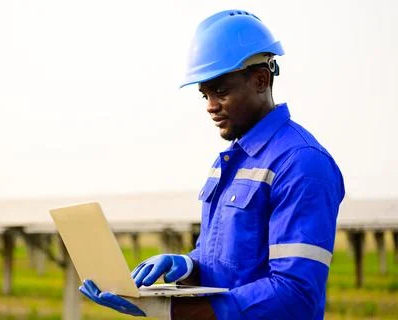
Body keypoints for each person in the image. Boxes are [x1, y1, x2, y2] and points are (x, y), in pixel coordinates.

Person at [79, 9, 345, 320]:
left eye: (220, 91)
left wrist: (170, 311)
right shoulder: (231, 161)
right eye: (204, 94)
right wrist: (187, 267)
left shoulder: (301, 163)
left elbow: (296, 294)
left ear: (261, 80)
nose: (210, 106)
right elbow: (224, 265)